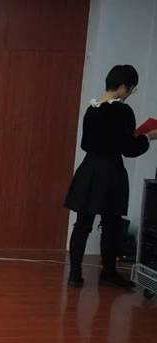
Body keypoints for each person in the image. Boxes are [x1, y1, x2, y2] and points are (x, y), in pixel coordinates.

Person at [65, 64, 157, 289]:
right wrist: (148, 137)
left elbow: (86, 143)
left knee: (82, 224)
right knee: (111, 224)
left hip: (89, 169)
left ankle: (75, 275)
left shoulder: (92, 108)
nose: (130, 93)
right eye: (132, 89)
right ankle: (108, 273)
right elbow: (129, 149)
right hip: (111, 172)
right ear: (124, 87)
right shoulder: (122, 111)